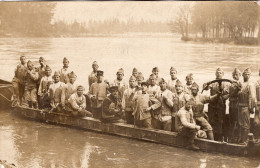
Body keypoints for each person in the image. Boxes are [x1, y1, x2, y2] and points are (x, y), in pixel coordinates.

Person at [202, 68, 230, 141]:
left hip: (221, 105)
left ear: (223, 74)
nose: (219, 74)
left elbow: (228, 94)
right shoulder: (212, 83)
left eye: (220, 73)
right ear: (215, 74)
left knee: (220, 121)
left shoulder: (226, 83)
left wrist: (223, 97)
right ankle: (211, 136)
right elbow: (205, 88)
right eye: (217, 73)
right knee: (211, 120)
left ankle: (220, 137)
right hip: (212, 105)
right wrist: (206, 84)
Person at [237, 68, 255, 144]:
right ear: (243, 75)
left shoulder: (250, 84)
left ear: (250, 75)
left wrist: (251, 108)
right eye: (245, 74)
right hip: (239, 107)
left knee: (246, 125)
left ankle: (245, 140)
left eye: (248, 74)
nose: (247, 76)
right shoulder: (241, 84)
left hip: (246, 107)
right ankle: (241, 139)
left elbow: (252, 97)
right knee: (240, 124)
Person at [228, 68, 242, 142]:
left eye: (236, 74)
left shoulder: (241, 84)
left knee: (238, 122)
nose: (235, 76)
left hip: (238, 105)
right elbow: (228, 94)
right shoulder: (230, 84)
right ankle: (232, 137)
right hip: (231, 105)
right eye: (234, 74)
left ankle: (239, 137)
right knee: (232, 121)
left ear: (240, 75)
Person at [254, 69, 260, 140]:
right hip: (258, 105)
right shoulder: (257, 83)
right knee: (256, 122)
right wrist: (255, 106)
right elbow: (254, 96)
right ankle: (257, 137)